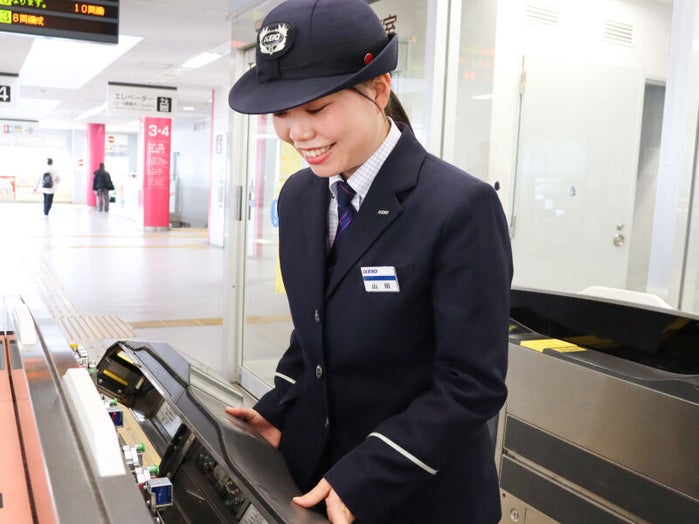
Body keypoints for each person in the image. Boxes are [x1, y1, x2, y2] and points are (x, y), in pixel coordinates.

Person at [225, 1, 513, 523]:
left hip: (421, 492)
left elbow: (472, 384)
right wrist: (279, 409)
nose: (298, 133)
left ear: (378, 91)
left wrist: (368, 473)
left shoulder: (458, 207)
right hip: (317, 474)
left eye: (315, 108)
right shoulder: (299, 196)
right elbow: (313, 327)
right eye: (282, 114)